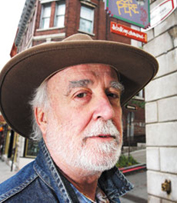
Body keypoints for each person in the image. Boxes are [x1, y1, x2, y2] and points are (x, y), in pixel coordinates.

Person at [0, 33, 158, 202]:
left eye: (112, 94)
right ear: (43, 117)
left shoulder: (105, 192)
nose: (108, 112)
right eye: (81, 94)